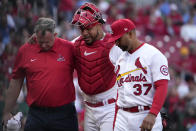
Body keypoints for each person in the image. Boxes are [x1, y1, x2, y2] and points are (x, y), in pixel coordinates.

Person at [2, 17, 78, 131]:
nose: (43, 45)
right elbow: (15, 82)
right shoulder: (25, 51)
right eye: (40, 42)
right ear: (35, 36)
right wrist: (7, 111)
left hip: (64, 115)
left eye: (47, 42)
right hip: (37, 114)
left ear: (55, 34)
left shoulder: (68, 48)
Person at [108, 19, 170, 131]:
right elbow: (119, 93)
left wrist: (153, 114)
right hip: (122, 116)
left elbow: (162, 85)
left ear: (130, 33)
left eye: (118, 39)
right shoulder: (120, 60)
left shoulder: (153, 54)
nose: (116, 43)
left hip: (145, 114)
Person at [71, 3, 122, 131]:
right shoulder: (76, 45)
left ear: (99, 24)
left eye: (88, 28)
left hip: (110, 108)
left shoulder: (114, 45)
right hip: (88, 110)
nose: (85, 33)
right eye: (81, 29)